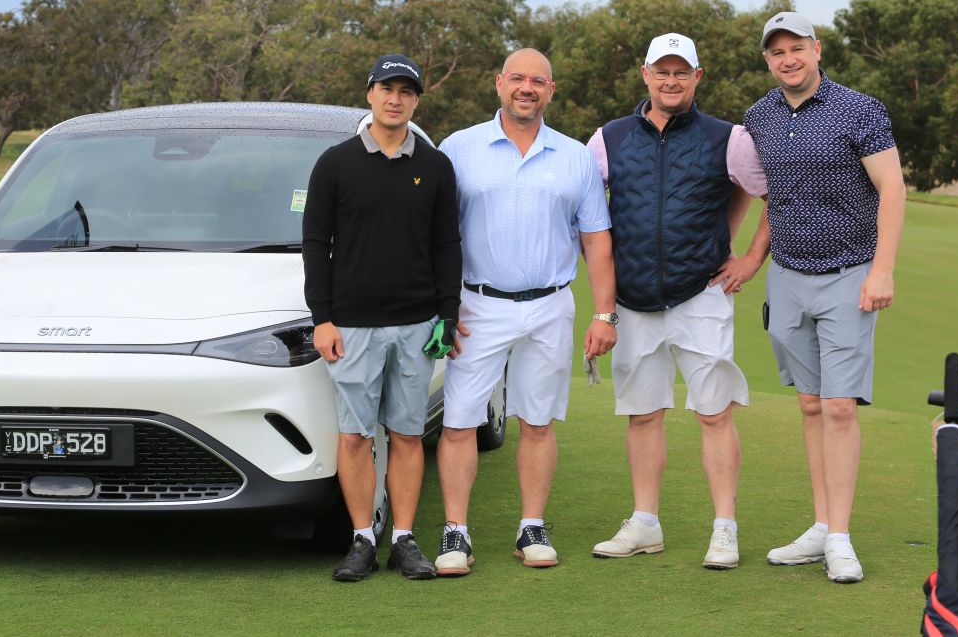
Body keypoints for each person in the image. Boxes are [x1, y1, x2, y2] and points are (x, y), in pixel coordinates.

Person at [586, 33, 768, 570]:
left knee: (714, 412)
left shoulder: (728, 137)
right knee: (643, 414)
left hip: (701, 294)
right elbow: (585, 211)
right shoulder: (609, 138)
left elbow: (771, 193)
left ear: (697, 77)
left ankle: (725, 529)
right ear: (645, 74)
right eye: (661, 71)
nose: (671, 81)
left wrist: (749, 259)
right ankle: (645, 524)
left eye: (680, 72)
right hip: (633, 298)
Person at [432, 47, 617, 576]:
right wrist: (441, 306)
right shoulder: (459, 148)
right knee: (461, 421)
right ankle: (456, 532)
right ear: (499, 83)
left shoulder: (575, 156)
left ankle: (531, 526)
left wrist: (605, 314)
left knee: (538, 420)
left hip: (550, 305)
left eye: (538, 80)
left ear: (550, 90)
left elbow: (597, 240)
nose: (527, 88)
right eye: (517, 78)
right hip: (476, 304)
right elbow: (436, 237)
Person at [744, 11, 906, 584]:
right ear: (768, 60)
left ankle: (839, 536)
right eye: (776, 52)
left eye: (797, 48)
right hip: (787, 277)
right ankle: (820, 525)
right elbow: (774, 200)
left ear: (817, 50)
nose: (788, 59)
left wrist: (882, 270)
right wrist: (751, 259)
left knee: (839, 406)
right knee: (810, 404)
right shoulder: (759, 116)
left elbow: (892, 187)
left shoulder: (860, 108)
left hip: (849, 273)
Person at [302, 53, 463, 583]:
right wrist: (322, 318)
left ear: (416, 101)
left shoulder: (436, 166)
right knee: (354, 437)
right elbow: (314, 244)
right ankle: (361, 539)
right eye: (386, 88)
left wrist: (447, 313)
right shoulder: (335, 163)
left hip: (418, 325)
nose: (395, 98)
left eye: (406, 91)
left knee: (408, 434)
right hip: (351, 325)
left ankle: (404, 539)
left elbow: (446, 244)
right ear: (369, 94)